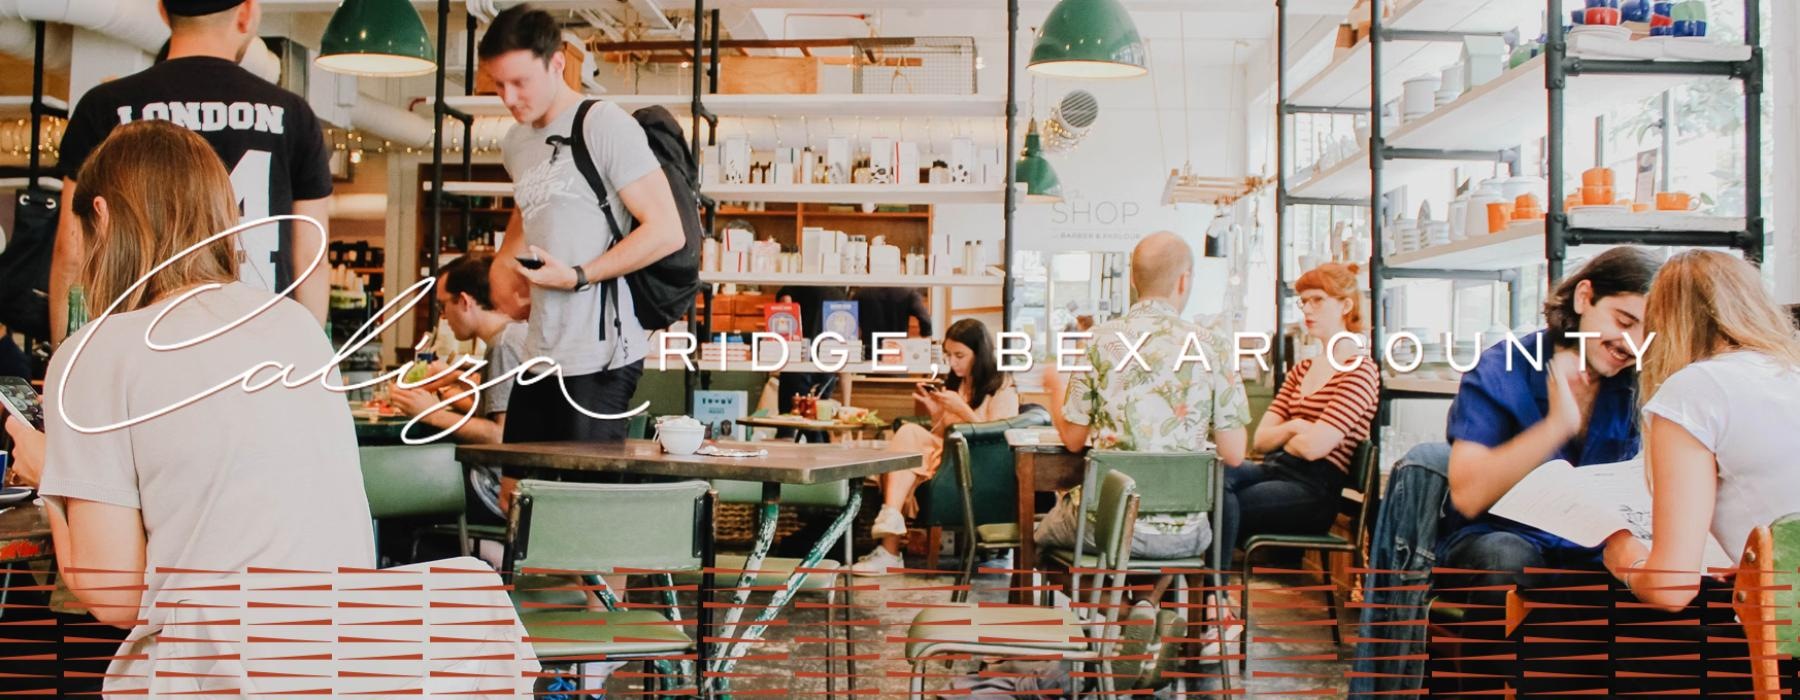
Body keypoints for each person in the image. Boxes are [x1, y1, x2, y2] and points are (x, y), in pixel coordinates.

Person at [1, 121, 372, 693]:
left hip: (219, 676)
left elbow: (113, 595)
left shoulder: (96, 353)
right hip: (351, 664)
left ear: (100, 215)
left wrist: (52, 476)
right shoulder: (292, 324)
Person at [1430, 246, 1660, 694]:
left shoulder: (1638, 381)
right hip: (1496, 541)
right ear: (1584, 297)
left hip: (1595, 546)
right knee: (1506, 557)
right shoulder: (1505, 366)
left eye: (1647, 334)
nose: (1631, 345)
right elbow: (1468, 494)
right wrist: (1556, 426)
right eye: (1624, 321)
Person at [51, 0, 334, 343]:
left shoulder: (105, 107)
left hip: (141, 343)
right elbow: (311, 260)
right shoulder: (293, 115)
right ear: (246, 14)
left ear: (162, 11)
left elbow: (73, 250)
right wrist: (311, 361)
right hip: (260, 345)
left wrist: (67, 362)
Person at [480, 4, 686, 443]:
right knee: (516, 494)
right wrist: (502, 262)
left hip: (601, 355)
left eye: (520, 82)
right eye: (499, 84)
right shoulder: (516, 142)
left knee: (579, 501)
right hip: (538, 351)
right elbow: (531, 204)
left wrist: (577, 276)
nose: (509, 98)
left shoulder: (603, 125)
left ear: (557, 64)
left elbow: (667, 230)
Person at [1597, 251, 1800, 694]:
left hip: (1789, 641)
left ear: (1664, 325)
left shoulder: (1694, 390)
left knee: (1601, 631)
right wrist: (1760, 564)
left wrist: (1625, 557)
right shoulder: (1791, 370)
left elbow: (1673, 589)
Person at [1038, 231, 1251, 560]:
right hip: (1188, 534)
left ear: (1134, 280)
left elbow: (1073, 441)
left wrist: (1054, 386)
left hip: (1109, 527)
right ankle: (1145, 603)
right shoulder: (1215, 346)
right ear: (1184, 280)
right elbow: (1234, 454)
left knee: (1041, 534)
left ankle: (1097, 606)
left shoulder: (1099, 341)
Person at [1219, 263, 1379, 563]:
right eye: (1303, 301)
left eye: (1317, 299)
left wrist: (1298, 437)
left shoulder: (1359, 370)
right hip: (1275, 470)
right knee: (1212, 477)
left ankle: (1215, 591)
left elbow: (1315, 447)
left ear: (1346, 305)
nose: (1307, 309)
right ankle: (1211, 591)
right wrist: (1296, 426)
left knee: (1222, 504)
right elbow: (1261, 441)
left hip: (1314, 491)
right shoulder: (1302, 369)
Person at [852, 318, 1019, 574]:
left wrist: (961, 409)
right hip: (948, 455)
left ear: (980, 352)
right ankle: (891, 522)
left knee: (907, 449)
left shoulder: (1002, 386)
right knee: (907, 437)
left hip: (978, 464)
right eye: (949, 355)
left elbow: (999, 436)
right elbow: (944, 432)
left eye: (960, 355)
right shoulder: (958, 382)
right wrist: (934, 409)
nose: (952, 363)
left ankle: (890, 548)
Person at [389, 254, 528, 524]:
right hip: (513, 486)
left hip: (495, 488)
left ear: (464, 301)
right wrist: (455, 382)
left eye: (443, 306)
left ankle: (487, 555)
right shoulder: (514, 335)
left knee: (397, 490)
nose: (443, 317)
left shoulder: (504, 346)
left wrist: (431, 413)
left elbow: (503, 436)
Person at [854, 287, 932, 347]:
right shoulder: (908, 293)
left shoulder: (861, 294)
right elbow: (925, 319)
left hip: (869, 351)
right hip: (897, 350)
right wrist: (925, 334)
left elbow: (849, 320)